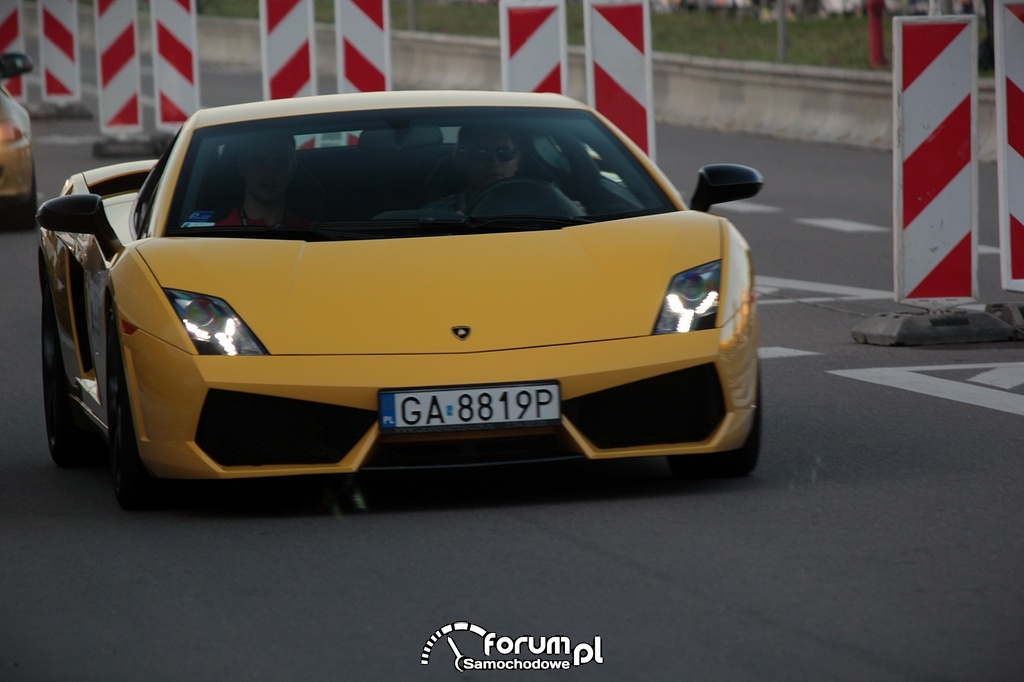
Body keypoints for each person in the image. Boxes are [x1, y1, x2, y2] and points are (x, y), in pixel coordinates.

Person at [216, 132, 311, 227]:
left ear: (292, 170)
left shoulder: (310, 231)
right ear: (242, 167)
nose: (269, 173)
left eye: (279, 162)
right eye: (259, 161)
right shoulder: (217, 233)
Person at [424, 125, 522, 214]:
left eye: (504, 153)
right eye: (481, 153)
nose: (494, 162)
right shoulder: (435, 216)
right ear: (460, 160)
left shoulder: (535, 207)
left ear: (517, 160)